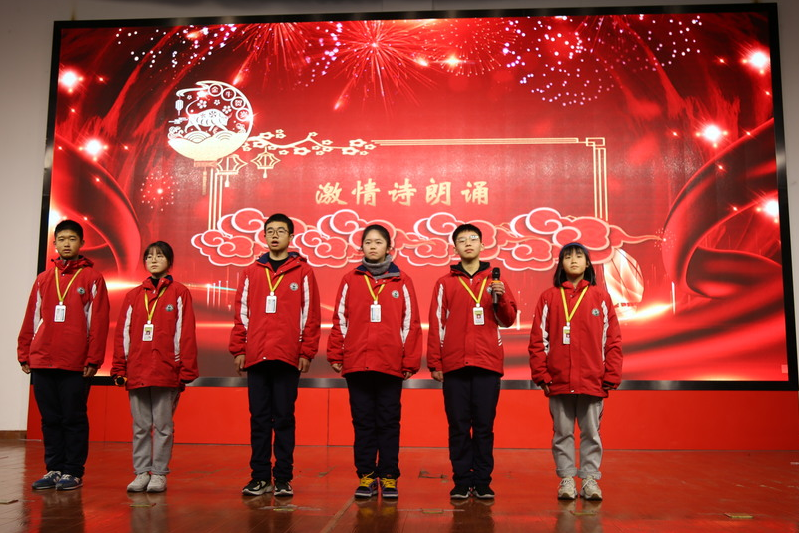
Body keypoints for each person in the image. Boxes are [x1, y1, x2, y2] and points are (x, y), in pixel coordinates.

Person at [327, 224, 422, 499]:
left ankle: (389, 476)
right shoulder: (350, 279)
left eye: (378, 242)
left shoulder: (402, 281)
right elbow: (340, 319)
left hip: (390, 364)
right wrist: (336, 353)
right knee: (363, 422)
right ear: (361, 247)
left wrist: (409, 360)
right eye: (368, 242)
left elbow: (411, 322)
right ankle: (367, 476)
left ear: (389, 248)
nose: (372, 246)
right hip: (357, 363)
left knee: (389, 422)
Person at [230, 213, 321, 498]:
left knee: (283, 418)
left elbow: (310, 315)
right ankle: (259, 477)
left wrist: (306, 351)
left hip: (287, 356)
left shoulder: (303, 272)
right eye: (270, 231)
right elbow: (241, 313)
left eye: (281, 231)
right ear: (264, 236)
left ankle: (282, 477)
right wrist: (239, 349)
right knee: (259, 419)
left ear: (291, 237)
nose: (274, 235)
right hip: (257, 356)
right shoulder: (251, 272)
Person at [17, 219, 110, 491]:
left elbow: (98, 322)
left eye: (72, 239)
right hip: (42, 359)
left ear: (82, 243)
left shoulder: (92, 279)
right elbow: (32, 317)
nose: (66, 243)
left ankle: (73, 471)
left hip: (75, 362)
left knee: (73, 417)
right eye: (61, 239)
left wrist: (93, 359)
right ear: (54, 243)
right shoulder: (43, 279)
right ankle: (54, 468)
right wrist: (24, 352)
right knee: (50, 418)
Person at [427, 223, 517, 500]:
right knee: (458, 426)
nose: (468, 243)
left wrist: (501, 297)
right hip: (455, 364)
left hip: (487, 363)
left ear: (482, 245)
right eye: (462, 240)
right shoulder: (444, 283)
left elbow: (508, 320)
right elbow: (436, 323)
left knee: (483, 426)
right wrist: (435, 362)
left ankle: (482, 481)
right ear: (455, 247)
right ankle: (461, 480)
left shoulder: (496, 281)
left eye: (473, 239)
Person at [528, 242, 623, 501]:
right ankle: (567, 479)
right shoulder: (549, 297)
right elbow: (538, 340)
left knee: (591, 432)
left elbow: (612, 340)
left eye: (579, 256)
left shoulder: (600, 297)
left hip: (593, 380)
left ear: (588, 263)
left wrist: (611, 374)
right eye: (567, 256)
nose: (573, 260)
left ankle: (590, 479)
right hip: (558, 380)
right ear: (561, 264)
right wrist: (542, 375)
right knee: (562, 433)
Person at [111, 241, 199, 493]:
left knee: (163, 427)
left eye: (159, 256)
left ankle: (159, 473)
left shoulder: (179, 293)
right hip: (137, 371)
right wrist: (119, 368)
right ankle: (141, 472)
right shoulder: (133, 296)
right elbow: (123, 334)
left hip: (166, 371)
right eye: (149, 256)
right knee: (140, 427)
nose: (153, 260)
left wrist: (185, 369)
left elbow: (185, 333)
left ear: (169, 262)